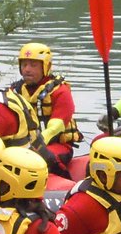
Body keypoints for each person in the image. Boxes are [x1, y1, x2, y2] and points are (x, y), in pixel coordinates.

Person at [9, 42, 80, 172]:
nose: (27, 69)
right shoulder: (14, 91)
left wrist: (37, 145)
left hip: (56, 144)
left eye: (33, 65)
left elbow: (55, 127)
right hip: (25, 143)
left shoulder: (60, 91)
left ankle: (65, 182)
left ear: (45, 66)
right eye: (24, 64)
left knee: (39, 157)